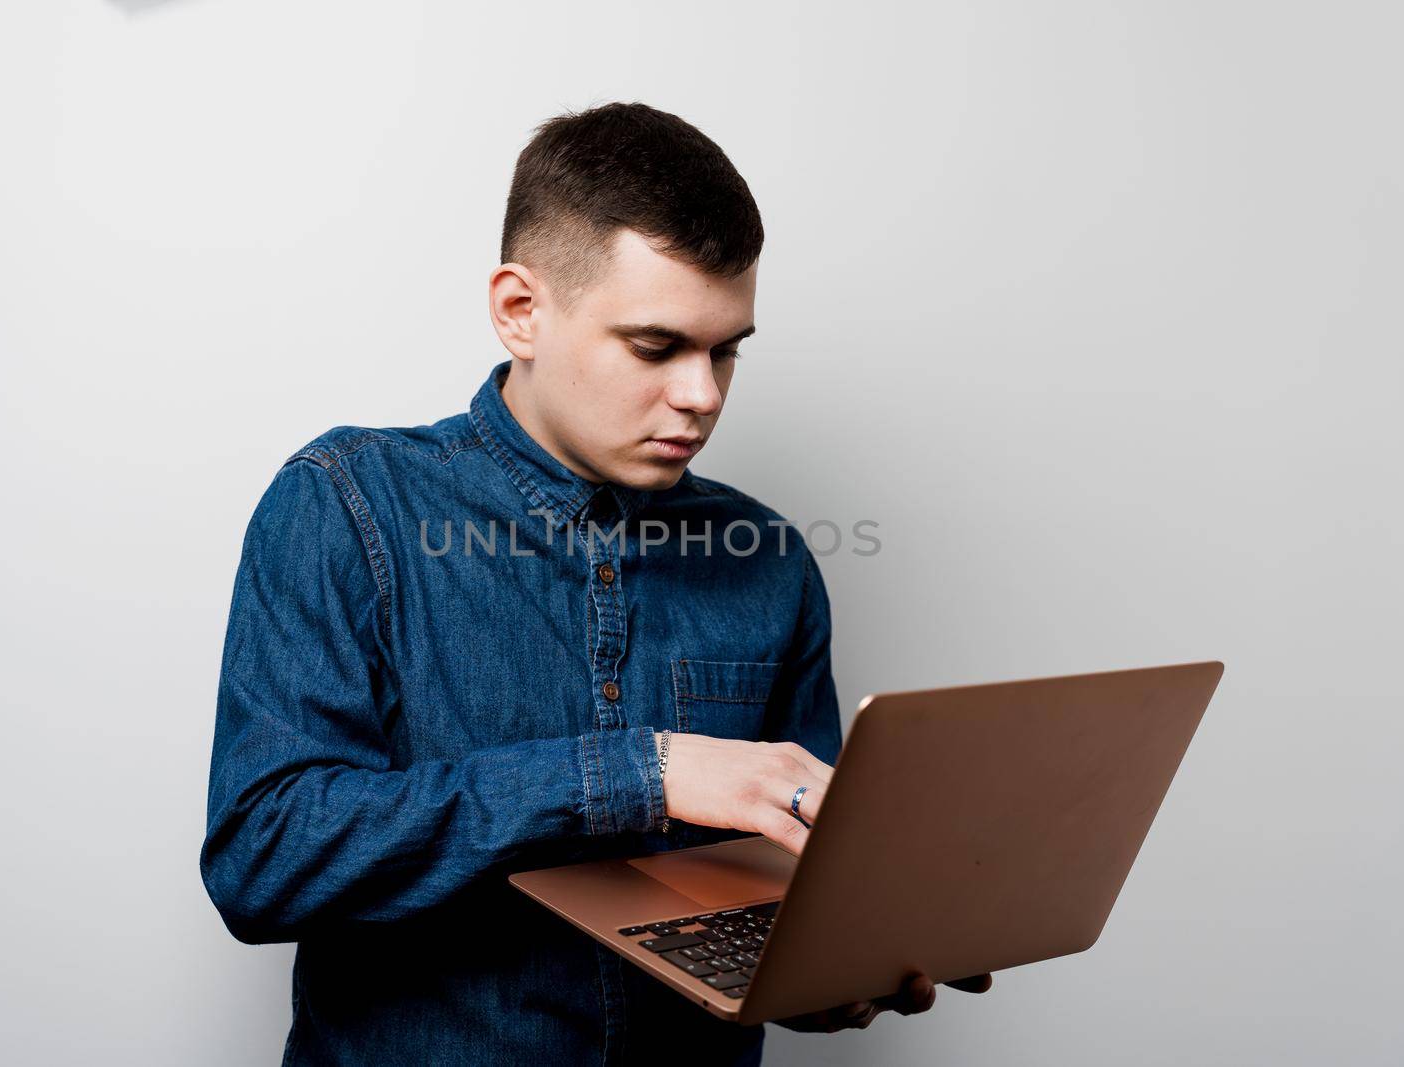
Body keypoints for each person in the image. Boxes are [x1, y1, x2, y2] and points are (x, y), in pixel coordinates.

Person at [200, 100, 990, 1066]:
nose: (702, 394)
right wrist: (643, 772)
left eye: (727, 348)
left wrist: (830, 973)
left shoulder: (770, 558)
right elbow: (262, 860)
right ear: (520, 310)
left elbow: (788, 889)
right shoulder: (345, 505)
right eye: (657, 347)